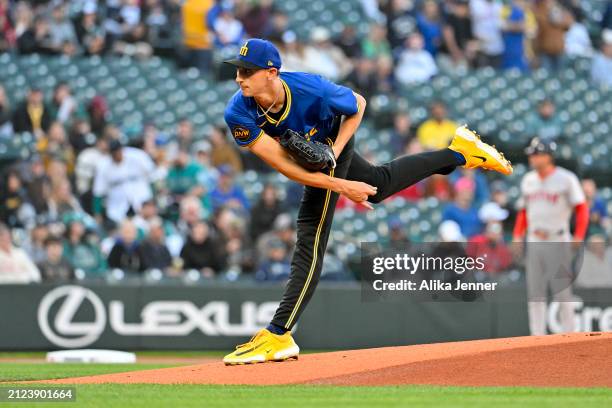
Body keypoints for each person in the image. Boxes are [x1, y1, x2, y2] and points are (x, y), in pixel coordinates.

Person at [221, 38, 513, 364]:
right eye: (238, 71)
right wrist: (341, 184)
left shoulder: (311, 88)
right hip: (312, 157)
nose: (239, 78)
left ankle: (279, 333)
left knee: (309, 234)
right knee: (379, 183)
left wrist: (336, 150)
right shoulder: (238, 111)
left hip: (332, 138)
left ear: (272, 72)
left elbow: (358, 103)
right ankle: (460, 152)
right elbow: (286, 166)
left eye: (247, 71)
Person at [513, 137, 589, 336]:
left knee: (563, 292)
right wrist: (517, 235)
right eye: (531, 154)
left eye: (536, 154)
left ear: (548, 156)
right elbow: (523, 211)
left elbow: (582, 209)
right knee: (535, 293)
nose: (531, 157)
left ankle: (570, 336)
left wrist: (579, 234)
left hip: (558, 240)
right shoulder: (528, 179)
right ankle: (536, 338)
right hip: (535, 240)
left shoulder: (566, 178)